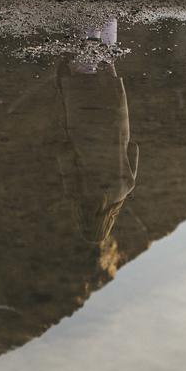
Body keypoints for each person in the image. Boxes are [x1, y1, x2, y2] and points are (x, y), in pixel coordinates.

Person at [55, 19, 138, 245]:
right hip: (84, 122)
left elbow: (133, 148)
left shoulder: (126, 188)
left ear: (108, 223)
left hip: (116, 118)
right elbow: (64, 154)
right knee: (85, 68)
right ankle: (90, 15)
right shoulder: (78, 193)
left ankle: (109, 14)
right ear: (83, 220)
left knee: (106, 60)